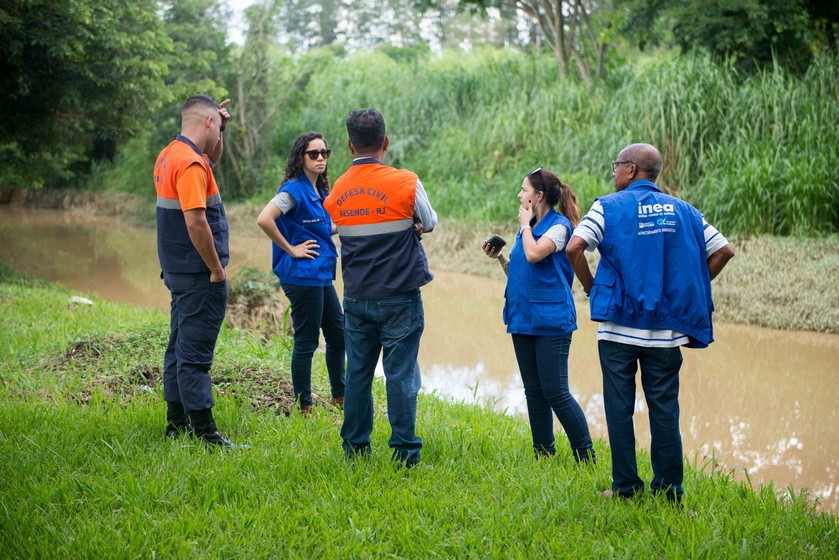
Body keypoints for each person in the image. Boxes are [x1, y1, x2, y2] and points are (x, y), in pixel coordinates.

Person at [566, 143, 734, 502]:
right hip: (665, 334)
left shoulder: (607, 207)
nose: (613, 173)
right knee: (665, 412)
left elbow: (574, 248)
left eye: (616, 167)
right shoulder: (685, 212)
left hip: (617, 330)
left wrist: (592, 288)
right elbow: (723, 250)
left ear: (630, 170)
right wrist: (688, 290)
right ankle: (670, 493)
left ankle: (625, 489)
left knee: (619, 408)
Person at [323, 109, 437, 467]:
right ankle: (405, 453)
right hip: (400, 296)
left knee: (357, 373)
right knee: (400, 374)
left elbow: (335, 228)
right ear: (385, 143)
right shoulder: (406, 181)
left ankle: (355, 448)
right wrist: (412, 225)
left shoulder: (337, 188)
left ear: (349, 145)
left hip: (356, 297)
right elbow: (429, 222)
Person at [481, 167, 596, 462]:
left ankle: (586, 457)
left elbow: (534, 254)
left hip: (551, 322)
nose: (519, 195)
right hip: (523, 319)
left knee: (556, 391)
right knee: (534, 391)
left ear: (539, 196)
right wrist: (501, 258)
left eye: (524, 190)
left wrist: (524, 227)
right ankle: (543, 454)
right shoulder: (530, 228)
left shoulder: (559, 228)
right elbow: (522, 270)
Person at [154, 94, 248, 449]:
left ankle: (176, 425)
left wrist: (220, 130)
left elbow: (215, 155)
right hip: (198, 274)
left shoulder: (169, 156)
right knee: (194, 356)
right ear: (208, 122)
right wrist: (216, 270)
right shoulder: (191, 165)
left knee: (178, 348)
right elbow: (196, 223)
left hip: (176, 270)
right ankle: (206, 434)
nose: (218, 135)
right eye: (217, 127)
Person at [256, 132, 345, 414]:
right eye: (313, 154)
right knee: (307, 341)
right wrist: (291, 248)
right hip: (301, 275)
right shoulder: (293, 190)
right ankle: (304, 406)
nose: (321, 158)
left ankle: (339, 397)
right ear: (300, 157)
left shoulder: (319, 191)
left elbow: (318, 227)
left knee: (338, 334)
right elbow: (264, 218)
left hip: (319, 274)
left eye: (324, 153)